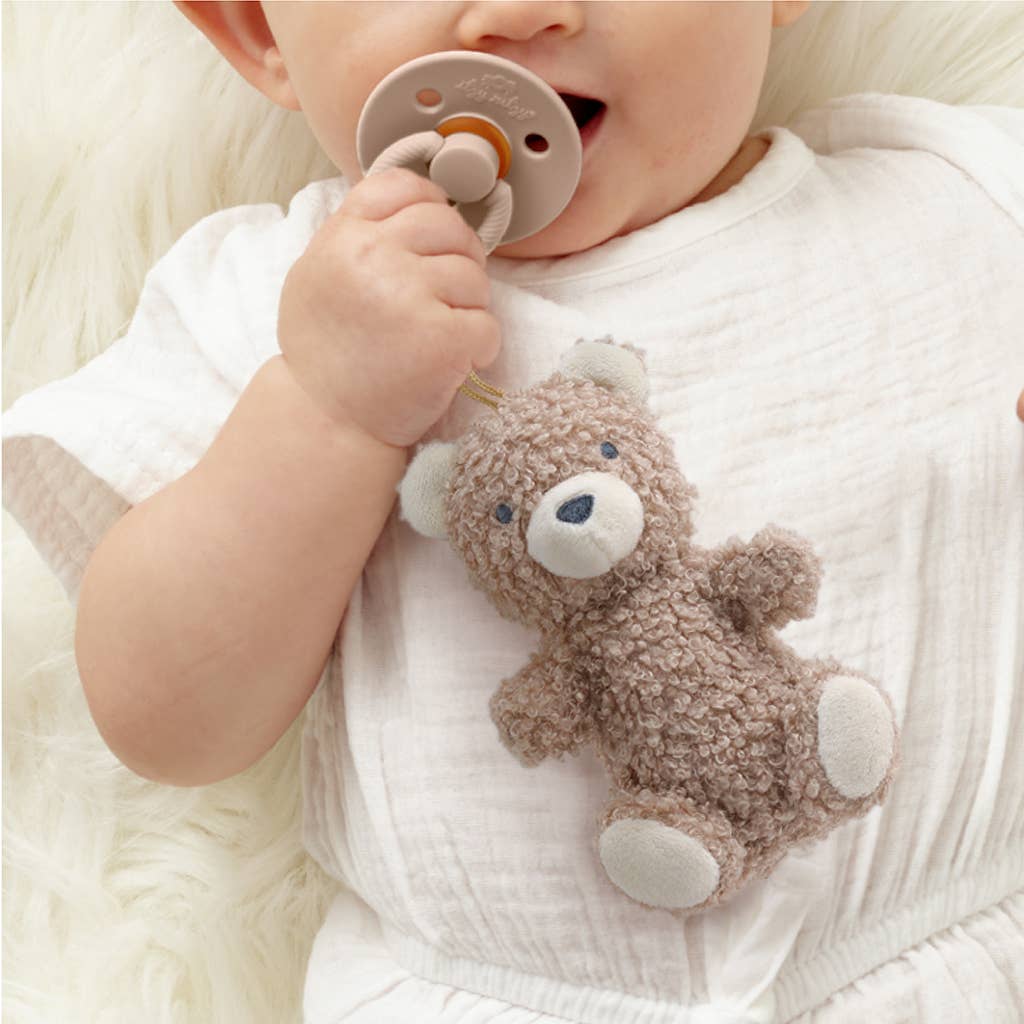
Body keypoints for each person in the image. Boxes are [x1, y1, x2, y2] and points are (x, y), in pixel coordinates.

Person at [4, 3, 1022, 1021]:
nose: (518, 9)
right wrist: (328, 407)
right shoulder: (287, 303)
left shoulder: (965, 194)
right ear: (254, 31)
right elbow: (165, 719)